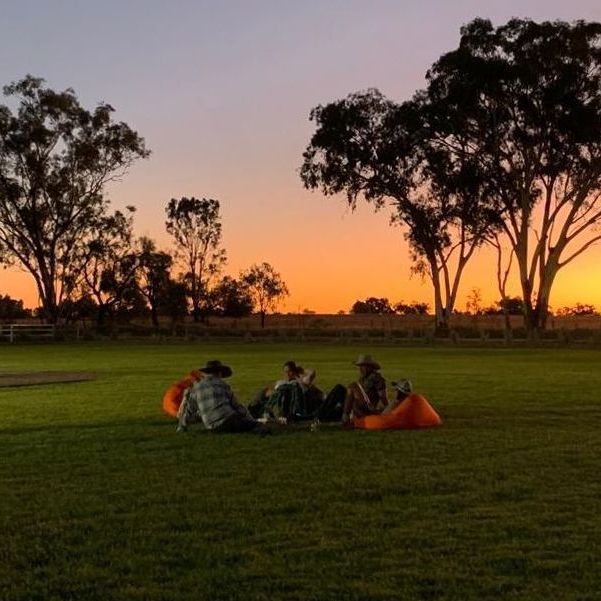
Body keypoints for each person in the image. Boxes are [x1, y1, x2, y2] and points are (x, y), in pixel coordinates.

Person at [177, 359, 269, 434]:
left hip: (211, 426)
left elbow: (188, 410)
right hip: (228, 420)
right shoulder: (222, 384)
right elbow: (237, 406)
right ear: (220, 373)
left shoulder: (196, 387)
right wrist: (251, 420)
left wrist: (182, 426)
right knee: (257, 426)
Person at [341, 355, 388, 425]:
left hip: (368, 408)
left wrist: (387, 409)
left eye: (362, 366)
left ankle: (345, 417)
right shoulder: (363, 378)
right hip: (361, 407)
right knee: (342, 390)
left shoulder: (377, 378)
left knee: (352, 386)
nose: (360, 369)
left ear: (370, 367)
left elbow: (382, 395)